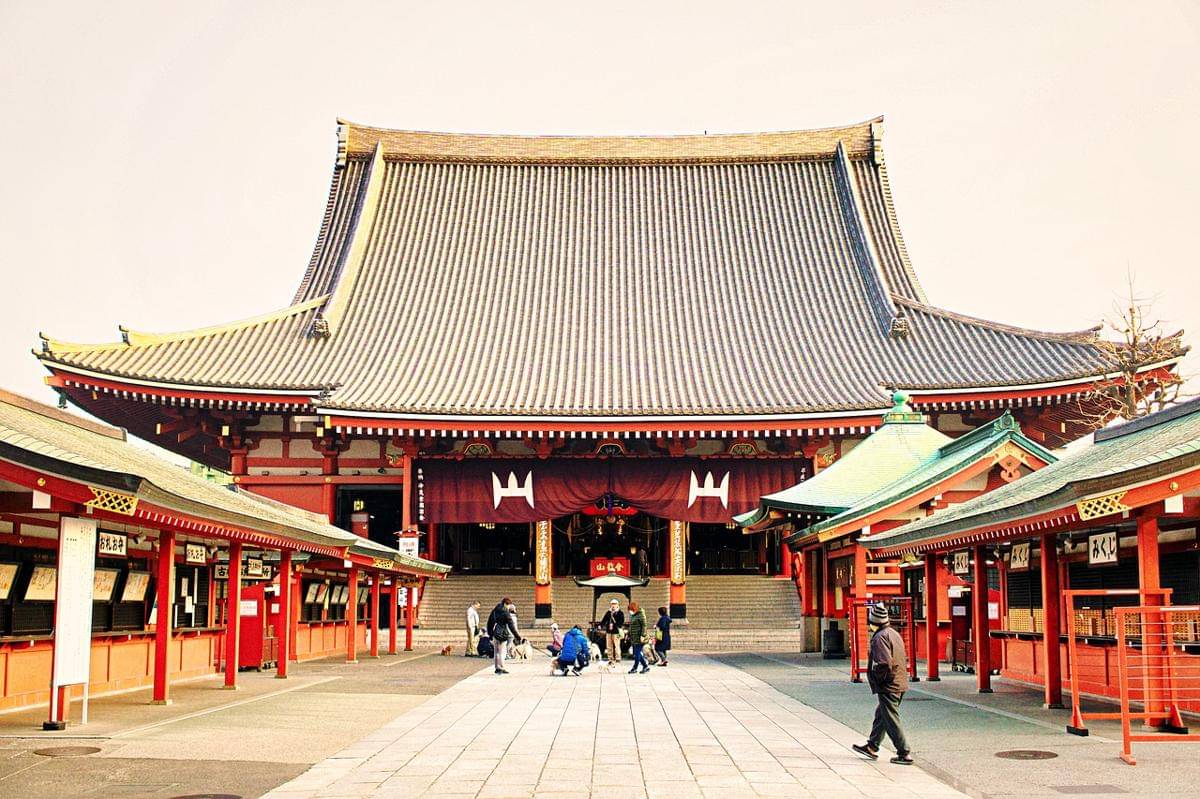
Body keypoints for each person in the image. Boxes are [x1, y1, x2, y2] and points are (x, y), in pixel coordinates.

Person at [853, 603, 913, 765]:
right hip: (899, 681)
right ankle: (872, 746)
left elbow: (884, 663)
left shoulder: (879, 638)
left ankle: (904, 752)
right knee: (883, 715)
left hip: (889, 684)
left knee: (890, 718)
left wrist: (878, 679)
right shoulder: (893, 633)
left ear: (874, 621)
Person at [487, 597, 518, 675]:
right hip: (502, 633)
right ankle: (501, 667)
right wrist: (517, 636)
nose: (509, 607)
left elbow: (490, 622)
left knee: (496, 651)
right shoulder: (505, 612)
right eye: (508, 605)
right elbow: (511, 626)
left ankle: (496, 667)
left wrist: (490, 633)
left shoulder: (495, 610)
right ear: (505, 604)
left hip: (495, 632)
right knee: (502, 651)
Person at [600, 599, 625, 666]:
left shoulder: (620, 613)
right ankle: (610, 658)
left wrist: (615, 625)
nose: (613, 605)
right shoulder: (608, 612)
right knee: (609, 646)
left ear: (617, 605)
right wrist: (601, 625)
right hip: (609, 631)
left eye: (615, 604)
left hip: (616, 632)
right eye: (612, 604)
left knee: (617, 646)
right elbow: (604, 620)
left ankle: (618, 658)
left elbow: (621, 622)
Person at [627, 601, 649, 674]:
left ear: (635, 608)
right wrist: (628, 633)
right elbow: (631, 626)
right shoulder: (633, 615)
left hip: (640, 637)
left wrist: (643, 635)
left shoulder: (641, 614)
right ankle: (645, 666)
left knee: (637, 653)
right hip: (634, 637)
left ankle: (634, 668)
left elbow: (644, 625)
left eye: (631, 610)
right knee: (637, 653)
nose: (630, 612)